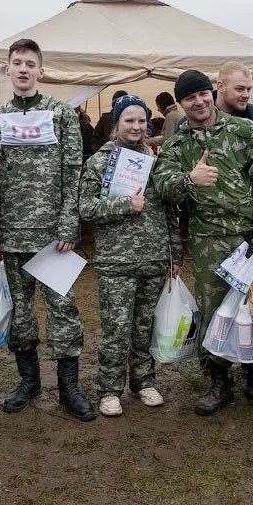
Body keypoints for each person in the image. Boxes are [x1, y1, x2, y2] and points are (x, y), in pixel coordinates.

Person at [152, 69, 253, 416]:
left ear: (212, 93)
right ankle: (219, 380)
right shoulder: (178, 145)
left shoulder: (244, 130)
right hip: (208, 239)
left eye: (202, 94)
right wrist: (188, 179)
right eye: (189, 98)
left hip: (249, 235)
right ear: (181, 104)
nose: (198, 102)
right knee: (214, 311)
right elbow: (162, 185)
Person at [0, 38, 95, 421]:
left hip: (53, 239)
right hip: (11, 235)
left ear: (41, 70)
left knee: (63, 311)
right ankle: (28, 382)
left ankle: (69, 388)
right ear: (8, 70)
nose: (24, 69)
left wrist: (68, 223)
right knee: (21, 315)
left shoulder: (61, 115)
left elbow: (73, 171)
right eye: (18, 63)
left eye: (31, 63)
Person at [79, 95, 182, 417]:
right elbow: (86, 209)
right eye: (129, 120)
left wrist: (174, 254)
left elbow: (170, 211)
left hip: (153, 258)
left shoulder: (158, 162)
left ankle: (144, 381)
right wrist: (126, 205)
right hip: (116, 262)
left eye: (142, 121)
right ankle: (109, 390)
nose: (136, 126)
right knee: (116, 329)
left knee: (145, 327)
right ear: (117, 123)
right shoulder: (99, 162)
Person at [90, 90, 128, 154]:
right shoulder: (105, 119)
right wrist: (101, 154)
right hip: (109, 156)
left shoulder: (133, 119)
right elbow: (95, 141)